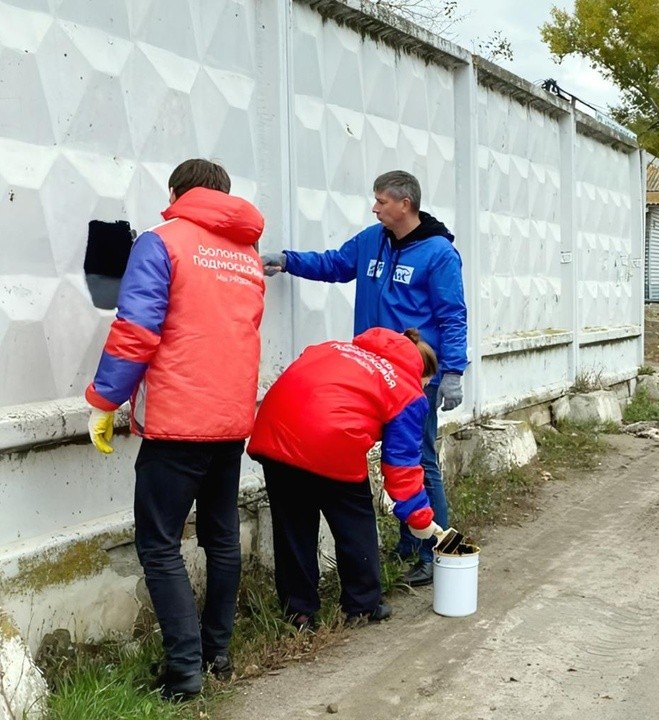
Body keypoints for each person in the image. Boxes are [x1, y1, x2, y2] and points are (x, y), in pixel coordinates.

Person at [85, 159, 265, 700]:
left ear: (175, 192)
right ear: (225, 195)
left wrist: (104, 400)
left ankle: (185, 673)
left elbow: (136, 328)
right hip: (231, 420)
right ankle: (218, 655)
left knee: (159, 544)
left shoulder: (162, 241)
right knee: (221, 537)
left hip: (178, 422)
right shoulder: (247, 254)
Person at [260, 170, 468, 586]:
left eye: (381, 201)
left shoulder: (438, 254)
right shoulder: (372, 241)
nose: (375, 208)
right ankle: (411, 542)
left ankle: (434, 554)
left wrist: (453, 372)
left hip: (413, 379)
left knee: (419, 462)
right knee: (394, 461)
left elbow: (452, 315)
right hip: (370, 373)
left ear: (405, 204)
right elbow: (336, 264)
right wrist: (287, 261)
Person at [247, 327, 445, 628]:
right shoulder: (407, 389)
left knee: (293, 527)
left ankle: (298, 612)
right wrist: (420, 519)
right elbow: (402, 465)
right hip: (331, 439)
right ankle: (363, 604)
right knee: (354, 521)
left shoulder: (333, 348)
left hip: (276, 432)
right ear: (421, 372)